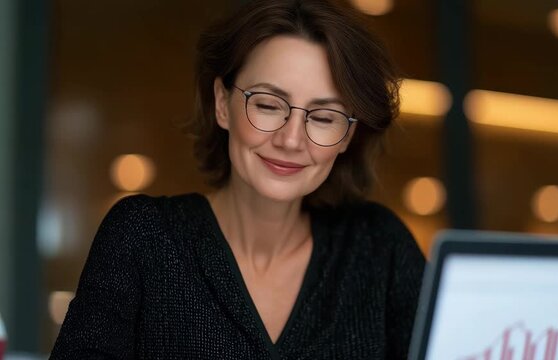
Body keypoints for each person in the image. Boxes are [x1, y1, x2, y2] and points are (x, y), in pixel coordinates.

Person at [50, 0, 426, 358]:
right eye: (266, 105)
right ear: (221, 104)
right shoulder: (142, 238)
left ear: (347, 136)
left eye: (324, 117)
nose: (290, 140)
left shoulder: (381, 249)